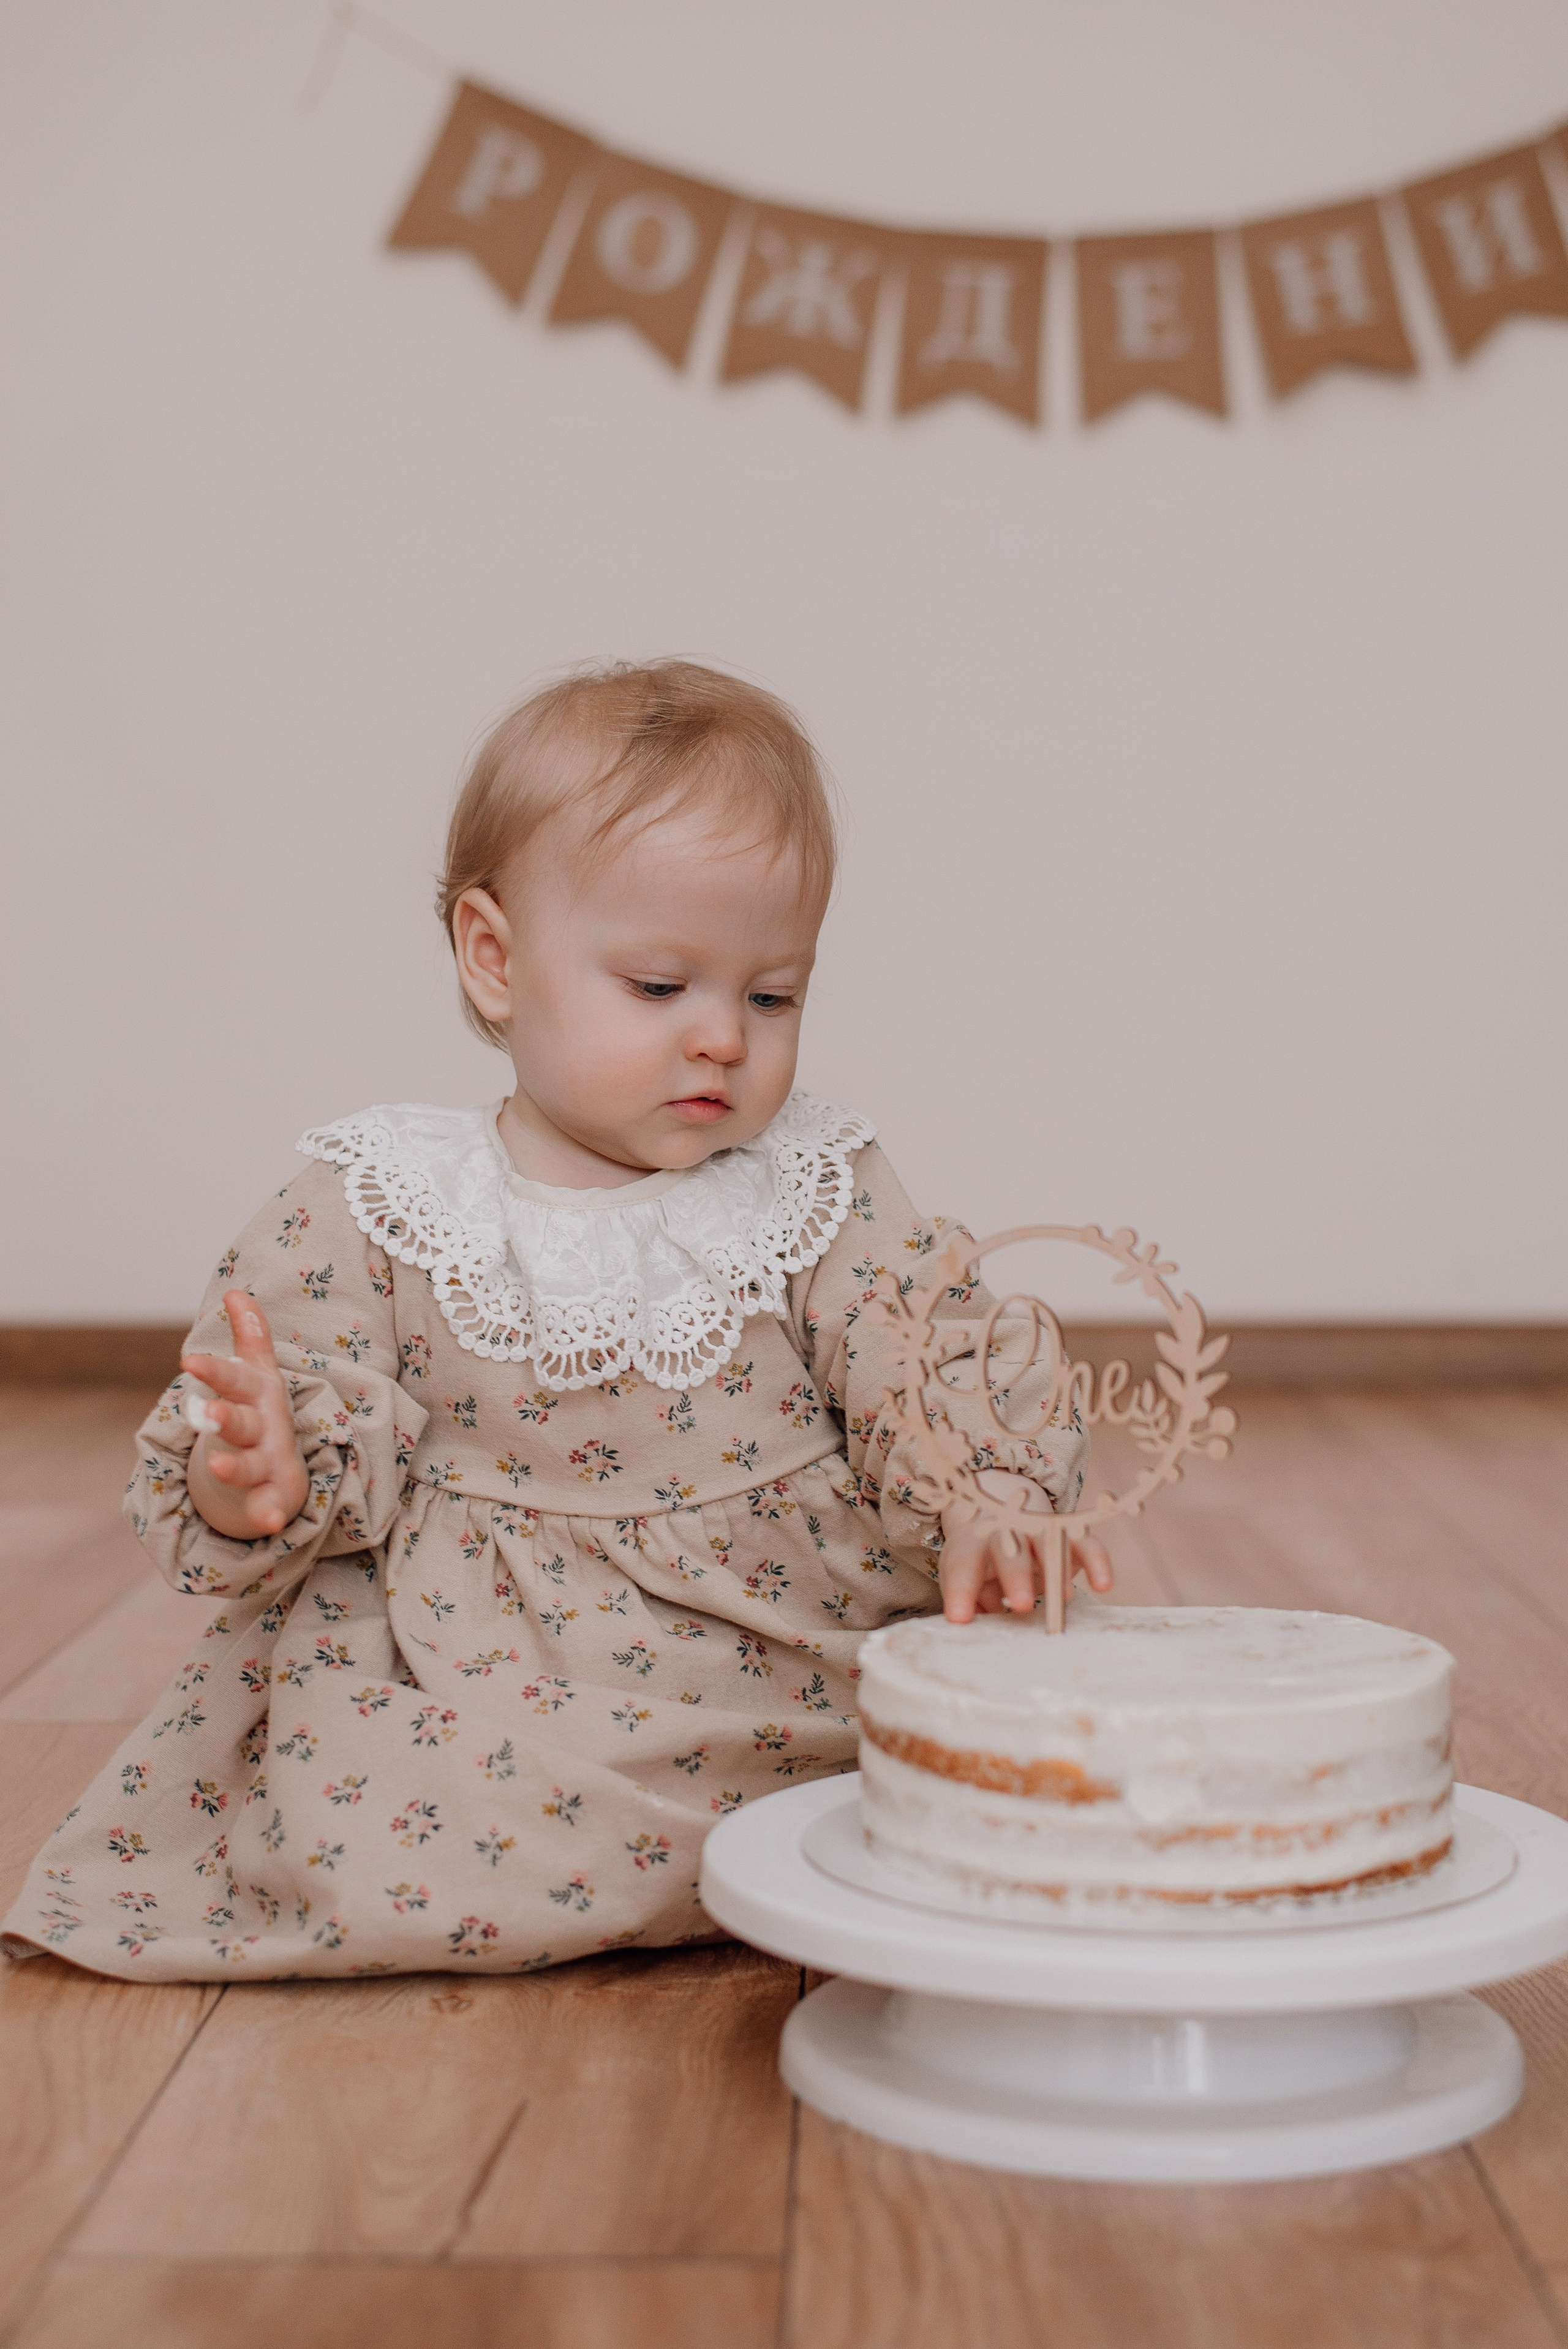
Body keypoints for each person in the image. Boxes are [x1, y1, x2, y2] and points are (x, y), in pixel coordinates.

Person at [1, 661, 1109, 1981]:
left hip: (788, 1646)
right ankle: (636, 1856)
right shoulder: (386, 1199)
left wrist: (977, 1490)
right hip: (496, 1661)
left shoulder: (811, 1181)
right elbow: (291, 1383)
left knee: (1011, 1743)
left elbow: (910, 1340)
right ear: (494, 958)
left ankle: (801, 1823)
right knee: (402, 1807)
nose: (720, 1039)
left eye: (771, 997)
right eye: (658, 987)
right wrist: (258, 1471)